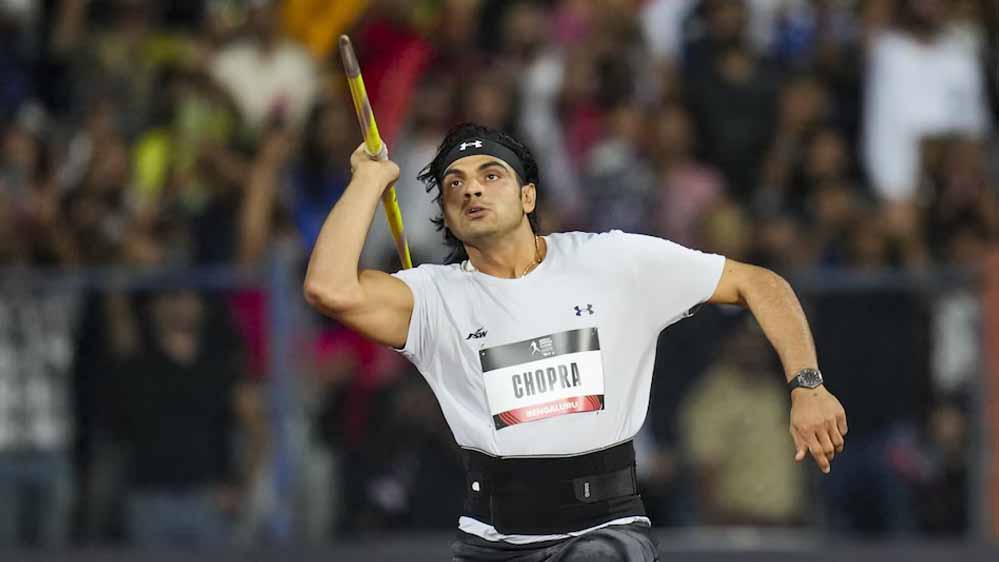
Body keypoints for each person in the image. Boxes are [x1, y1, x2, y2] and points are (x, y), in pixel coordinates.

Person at [303, 123, 847, 561]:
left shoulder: (611, 261)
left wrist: (808, 385)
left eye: (491, 175)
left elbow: (760, 283)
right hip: (492, 539)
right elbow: (329, 287)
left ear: (528, 195)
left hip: (604, 530)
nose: (471, 188)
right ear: (447, 213)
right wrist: (369, 181)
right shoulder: (432, 297)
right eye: (454, 184)